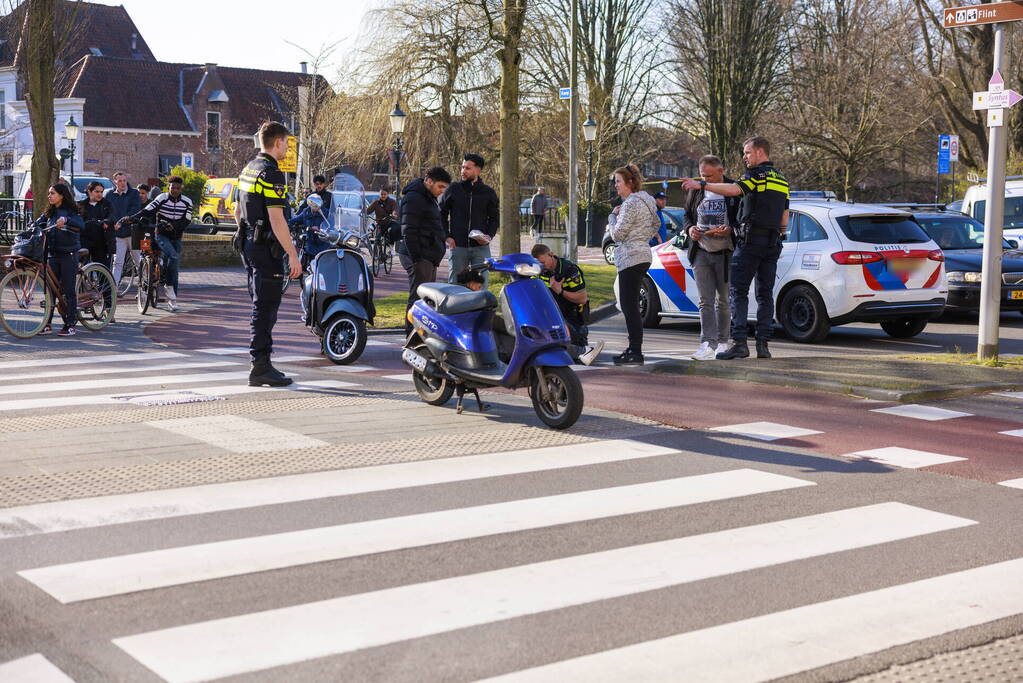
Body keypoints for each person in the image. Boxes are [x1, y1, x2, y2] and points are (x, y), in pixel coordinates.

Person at [684, 136, 789, 360]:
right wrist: (777, 233)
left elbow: (735, 190)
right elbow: (784, 218)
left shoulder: (755, 175)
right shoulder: (782, 179)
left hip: (751, 241)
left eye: (748, 153)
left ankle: (739, 343)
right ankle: (763, 345)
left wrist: (703, 184)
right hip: (772, 243)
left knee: (737, 292)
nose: (744, 157)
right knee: (764, 294)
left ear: (761, 152)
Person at [235, 121, 303, 387]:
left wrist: (247, 235)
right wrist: (293, 254)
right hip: (266, 250)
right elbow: (277, 219)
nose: (288, 147)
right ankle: (260, 366)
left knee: (260, 305)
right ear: (277, 142)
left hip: (250, 246)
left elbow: (238, 211)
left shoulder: (248, 169)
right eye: (286, 142)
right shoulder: (272, 174)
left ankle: (262, 364)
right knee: (265, 310)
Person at [682, 155, 741, 361]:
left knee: (722, 300)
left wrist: (730, 230)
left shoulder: (734, 189)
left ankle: (723, 342)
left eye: (708, 176)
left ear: (721, 171)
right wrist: (690, 229)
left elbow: (742, 219)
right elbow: (687, 215)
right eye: (701, 175)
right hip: (701, 251)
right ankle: (707, 343)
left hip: (725, 252)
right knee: (704, 301)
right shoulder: (697, 189)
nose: (704, 179)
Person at [608, 164, 660, 365]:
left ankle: (635, 351)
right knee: (632, 306)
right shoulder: (648, 201)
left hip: (630, 257)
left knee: (629, 307)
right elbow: (656, 224)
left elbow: (617, 234)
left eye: (618, 182)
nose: (616, 186)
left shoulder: (630, 204)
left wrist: (613, 216)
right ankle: (632, 348)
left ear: (630, 183)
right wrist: (641, 237)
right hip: (644, 253)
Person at [398, 166, 452, 334]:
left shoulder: (428, 197)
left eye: (444, 188)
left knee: (426, 298)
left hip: (427, 255)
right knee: (418, 298)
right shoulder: (414, 198)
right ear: (429, 182)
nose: (441, 191)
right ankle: (411, 337)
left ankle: (421, 335)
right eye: (440, 187)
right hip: (418, 255)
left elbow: (433, 224)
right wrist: (417, 258)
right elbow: (409, 230)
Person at [531, 244, 605, 365]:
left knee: (561, 350)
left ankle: (583, 350)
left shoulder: (569, 270)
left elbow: (582, 298)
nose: (541, 266)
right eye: (538, 264)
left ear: (551, 255)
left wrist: (560, 291)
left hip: (572, 317)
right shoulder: (538, 271)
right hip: (552, 316)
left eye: (543, 262)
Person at [131, 175, 193, 311]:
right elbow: (148, 210)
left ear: (180, 188)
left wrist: (174, 226)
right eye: (172, 187)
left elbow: (187, 220)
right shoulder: (162, 198)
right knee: (173, 256)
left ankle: (172, 299)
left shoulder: (187, 202)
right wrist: (131, 218)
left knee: (174, 267)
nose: (175, 190)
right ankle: (167, 286)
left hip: (176, 237)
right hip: (161, 235)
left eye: (177, 188)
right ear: (168, 187)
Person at [32, 183, 84, 337]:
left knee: (68, 290)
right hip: (52, 255)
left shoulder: (71, 211)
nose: (49, 196)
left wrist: (66, 220)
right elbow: (38, 223)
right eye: (49, 193)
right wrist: (32, 227)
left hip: (68, 254)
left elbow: (80, 224)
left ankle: (70, 324)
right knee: (50, 292)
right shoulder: (49, 212)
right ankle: (47, 323)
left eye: (52, 193)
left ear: (62, 195)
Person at [440, 153, 499, 286]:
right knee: (455, 285)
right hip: (458, 246)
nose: (463, 171)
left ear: (478, 170)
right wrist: (447, 237)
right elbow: (441, 214)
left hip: (481, 248)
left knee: (481, 285)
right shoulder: (453, 189)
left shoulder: (488, 192)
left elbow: (494, 218)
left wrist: (488, 236)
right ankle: (455, 307)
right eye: (462, 167)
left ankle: (480, 307)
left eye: (467, 168)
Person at [106, 172, 141, 287]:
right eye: (119, 181)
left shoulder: (134, 193)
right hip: (118, 234)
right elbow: (108, 211)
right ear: (115, 181)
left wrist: (122, 220)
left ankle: (145, 285)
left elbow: (135, 209)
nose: (122, 183)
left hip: (132, 232)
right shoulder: (110, 194)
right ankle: (114, 287)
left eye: (124, 180)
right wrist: (113, 223)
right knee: (118, 262)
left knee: (138, 261)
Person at [78, 181, 115, 269]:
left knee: (101, 267)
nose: (100, 194)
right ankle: (82, 282)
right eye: (97, 191)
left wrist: (106, 222)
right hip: (84, 240)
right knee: (82, 266)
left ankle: (104, 283)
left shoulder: (107, 204)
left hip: (101, 240)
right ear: (90, 191)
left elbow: (112, 216)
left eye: (101, 192)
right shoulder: (81, 205)